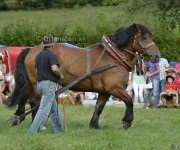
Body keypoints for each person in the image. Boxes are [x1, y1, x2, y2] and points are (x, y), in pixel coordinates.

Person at [28, 46, 64, 134]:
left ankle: (58, 130)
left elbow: (37, 72)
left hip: (40, 85)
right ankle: (32, 132)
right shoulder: (51, 54)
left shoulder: (38, 55)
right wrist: (60, 75)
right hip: (48, 85)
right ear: (52, 45)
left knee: (53, 108)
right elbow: (54, 68)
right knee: (43, 109)